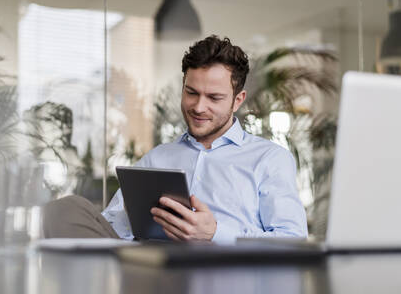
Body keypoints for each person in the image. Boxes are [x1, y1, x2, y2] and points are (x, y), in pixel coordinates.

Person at [43, 35, 308, 243]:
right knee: (66, 209)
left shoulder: (270, 159)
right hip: (145, 268)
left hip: (218, 273)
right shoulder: (158, 157)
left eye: (214, 98)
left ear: (238, 100)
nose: (199, 107)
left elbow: (293, 240)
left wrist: (215, 232)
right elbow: (111, 223)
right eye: (191, 92)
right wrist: (134, 222)